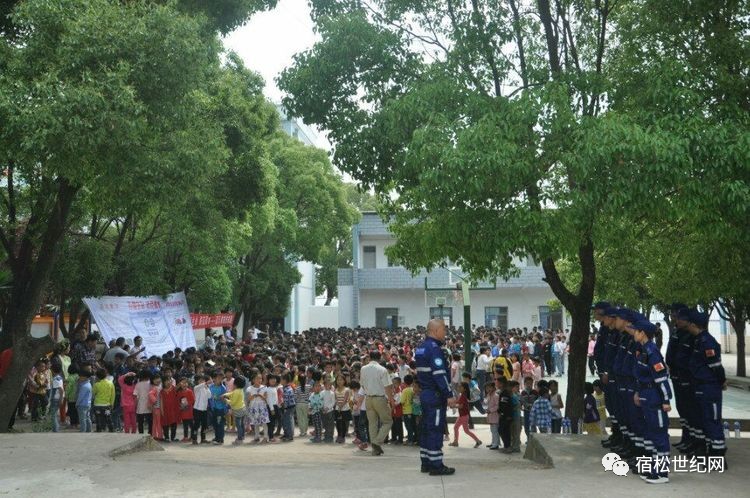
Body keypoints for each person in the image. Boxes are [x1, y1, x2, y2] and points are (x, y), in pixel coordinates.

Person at [632, 319, 673, 484]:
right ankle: (652, 467)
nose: (634, 333)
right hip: (646, 395)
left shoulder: (652, 352)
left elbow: (662, 378)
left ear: (643, 333)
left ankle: (662, 473)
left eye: (636, 331)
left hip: (655, 397)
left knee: (659, 434)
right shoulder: (643, 351)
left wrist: (665, 400)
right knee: (650, 433)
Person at [415, 319, 456, 476]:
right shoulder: (434, 349)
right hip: (434, 395)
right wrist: (449, 395)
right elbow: (440, 375)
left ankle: (426, 462)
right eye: (444, 330)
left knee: (426, 428)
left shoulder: (421, 348)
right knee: (435, 430)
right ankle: (436, 465)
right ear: (436, 330)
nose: (445, 333)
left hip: (425, 394)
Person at [685, 310, 727, 464]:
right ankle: (711, 451)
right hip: (702, 386)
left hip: (709, 387)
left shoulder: (707, 342)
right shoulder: (699, 340)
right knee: (706, 420)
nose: (687, 326)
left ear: (695, 325)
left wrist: (721, 382)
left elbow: (716, 367)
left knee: (712, 420)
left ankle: (718, 455)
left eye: (689, 323)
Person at [359, 350, 394, 456]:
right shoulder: (382, 369)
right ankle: (376, 442)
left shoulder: (363, 368)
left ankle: (375, 449)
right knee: (387, 421)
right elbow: (387, 386)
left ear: (370, 357)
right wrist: (391, 400)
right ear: (379, 358)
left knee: (372, 424)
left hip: (368, 398)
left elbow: (363, 385)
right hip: (379, 398)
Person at [448, 382, 482, 448]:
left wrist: (454, 406)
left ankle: (477, 441)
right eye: (458, 386)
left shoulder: (463, 396)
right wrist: (453, 403)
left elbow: (461, 406)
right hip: (463, 416)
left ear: (465, 389)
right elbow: (459, 402)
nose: (459, 388)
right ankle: (456, 442)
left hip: (463, 416)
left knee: (463, 430)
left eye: (460, 387)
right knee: (460, 429)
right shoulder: (463, 395)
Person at [223, 376, 247, 445]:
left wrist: (226, 400)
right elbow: (231, 393)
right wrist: (226, 394)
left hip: (238, 410)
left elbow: (232, 402)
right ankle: (242, 436)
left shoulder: (236, 391)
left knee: (238, 425)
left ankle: (239, 438)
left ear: (235, 383)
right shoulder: (240, 390)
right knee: (242, 424)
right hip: (242, 408)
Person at [92, 368, 115, 432]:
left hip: (97, 405)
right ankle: (111, 429)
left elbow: (93, 393)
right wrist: (112, 403)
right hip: (107, 405)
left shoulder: (96, 384)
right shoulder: (111, 383)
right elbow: (113, 395)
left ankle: (99, 429)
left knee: (98, 418)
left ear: (97, 376)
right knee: (108, 418)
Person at [208, 371, 227, 444]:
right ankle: (216, 437)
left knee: (220, 423)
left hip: (220, 409)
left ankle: (220, 439)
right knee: (215, 423)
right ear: (214, 378)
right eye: (218, 378)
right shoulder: (211, 387)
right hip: (213, 408)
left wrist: (219, 398)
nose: (220, 380)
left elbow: (225, 398)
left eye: (221, 378)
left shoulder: (223, 388)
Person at [192, 374, 211, 445]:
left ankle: (203, 438)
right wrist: (205, 383)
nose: (202, 382)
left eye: (203, 380)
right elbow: (200, 385)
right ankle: (194, 438)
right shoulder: (196, 388)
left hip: (204, 409)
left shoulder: (206, 388)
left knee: (204, 425)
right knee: (196, 424)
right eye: (200, 380)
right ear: (197, 381)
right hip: (197, 409)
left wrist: (207, 388)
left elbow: (209, 396)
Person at [160, 376, 180, 442]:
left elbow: (179, 387)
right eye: (166, 381)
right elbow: (161, 402)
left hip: (174, 410)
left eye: (169, 380)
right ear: (163, 383)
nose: (168, 382)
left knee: (174, 424)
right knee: (165, 424)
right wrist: (162, 411)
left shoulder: (174, 388)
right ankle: (166, 437)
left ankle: (173, 437)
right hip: (165, 410)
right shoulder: (161, 391)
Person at [333, 374, 351, 444]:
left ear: (344, 381)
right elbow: (336, 399)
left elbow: (345, 399)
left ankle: (342, 436)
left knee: (344, 423)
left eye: (341, 380)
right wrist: (338, 406)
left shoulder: (347, 389)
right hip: (337, 409)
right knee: (337, 423)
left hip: (345, 409)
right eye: (338, 380)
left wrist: (341, 406)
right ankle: (339, 435)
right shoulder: (335, 389)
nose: (339, 381)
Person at [176, 376, 195, 441]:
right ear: (180, 384)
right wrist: (180, 406)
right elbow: (178, 401)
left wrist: (187, 404)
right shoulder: (179, 392)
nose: (184, 384)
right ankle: (185, 437)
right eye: (183, 383)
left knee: (191, 425)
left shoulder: (190, 391)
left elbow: (193, 400)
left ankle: (192, 437)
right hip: (183, 412)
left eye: (186, 383)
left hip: (189, 412)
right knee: (185, 426)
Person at [76, 368, 93, 433]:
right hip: (88, 404)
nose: (79, 378)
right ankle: (89, 430)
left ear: (85, 377)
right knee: (87, 417)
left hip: (82, 405)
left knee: (82, 419)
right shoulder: (88, 384)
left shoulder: (84, 386)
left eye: (80, 376)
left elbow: (80, 397)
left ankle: (83, 431)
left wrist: (77, 404)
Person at [49, 364, 64, 433]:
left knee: (53, 415)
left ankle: (55, 429)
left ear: (52, 370)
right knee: (54, 414)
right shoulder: (60, 378)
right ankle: (56, 428)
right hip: (57, 398)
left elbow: (60, 389)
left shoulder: (56, 379)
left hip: (55, 398)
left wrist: (61, 399)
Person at [485, 382, 500, 450]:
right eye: (487, 388)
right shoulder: (489, 395)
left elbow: (497, 406)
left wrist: (490, 410)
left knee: (495, 430)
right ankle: (493, 442)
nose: (488, 389)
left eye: (489, 387)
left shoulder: (495, 396)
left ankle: (495, 444)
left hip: (495, 415)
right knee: (492, 430)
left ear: (493, 387)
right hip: (490, 415)